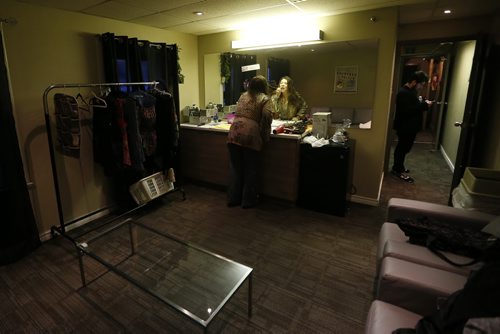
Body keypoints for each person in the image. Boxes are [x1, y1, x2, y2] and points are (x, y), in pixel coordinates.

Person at [227, 75, 273, 208]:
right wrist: (265, 137)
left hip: (234, 133)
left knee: (236, 169)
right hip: (250, 136)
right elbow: (266, 117)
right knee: (251, 170)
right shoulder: (264, 98)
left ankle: (233, 199)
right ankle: (248, 201)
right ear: (264, 86)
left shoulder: (242, 96)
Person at [392, 70, 432, 183]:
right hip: (405, 126)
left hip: (408, 126)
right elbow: (407, 111)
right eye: (421, 84)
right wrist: (424, 105)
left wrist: (420, 103)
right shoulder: (404, 93)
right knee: (402, 148)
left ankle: (399, 166)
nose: (421, 87)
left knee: (404, 148)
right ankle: (397, 169)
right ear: (414, 82)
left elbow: (411, 106)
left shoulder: (409, 92)